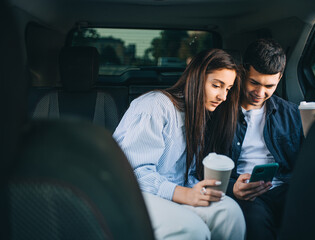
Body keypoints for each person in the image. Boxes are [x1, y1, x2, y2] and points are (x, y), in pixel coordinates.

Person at [113, 49, 246, 240]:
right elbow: (131, 171)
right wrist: (181, 193)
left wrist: (200, 190)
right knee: (191, 230)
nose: (223, 97)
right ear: (196, 79)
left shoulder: (199, 116)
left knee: (230, 213)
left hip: (173, 193)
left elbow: (185, 175)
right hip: (134, 194)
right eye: (217, 85)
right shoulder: (154, 106)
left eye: (228, 89)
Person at [226, 39, 304, 240]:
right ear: (243, 72)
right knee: (256, 226)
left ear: (279, 79)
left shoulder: (291, 113)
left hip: (286, 188)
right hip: (246, 193)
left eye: (269, 86)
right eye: (254, 82)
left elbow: (306, 160)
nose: (260, 93)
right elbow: (201, 166)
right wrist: (232, 187)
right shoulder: (220, 112)